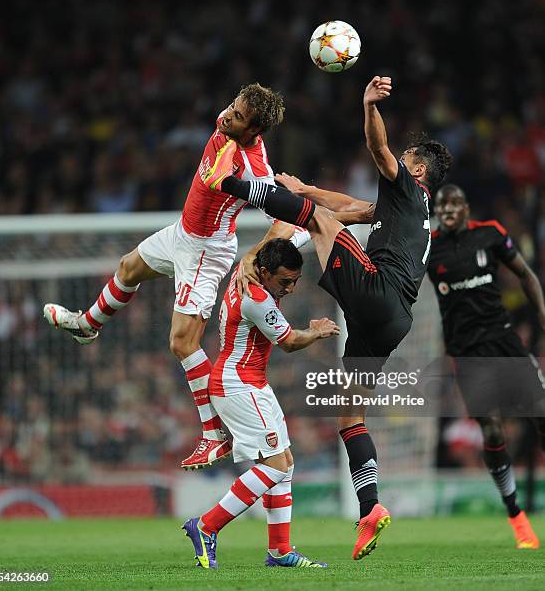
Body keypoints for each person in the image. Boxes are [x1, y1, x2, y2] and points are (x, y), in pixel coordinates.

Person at [202, 75, 452, 560]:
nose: (400, 160)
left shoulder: (406, 183)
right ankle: (370, 510)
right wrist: (303, 187)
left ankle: (228, 183)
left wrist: (369, 105)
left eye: (408, 157)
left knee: (314, 221)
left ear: (417, 168)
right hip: (393, 319)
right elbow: (349, 206)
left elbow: (377, 149)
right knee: (350, 414)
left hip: (379, 292)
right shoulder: (409, 211)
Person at [43, 83, 287, 469]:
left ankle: (214, 435)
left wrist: (254, 257)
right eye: (232, 106)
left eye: (238, 116)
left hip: (206, 251)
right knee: (128, 267)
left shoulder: (255, 170)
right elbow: (226, 129)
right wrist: (231, 119)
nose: (226, 115)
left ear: (254, 131)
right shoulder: (228, 122)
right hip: (183, 232)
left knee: (182, 343)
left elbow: (282, 221)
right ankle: (88, 324)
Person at [183, 237, 339, 569]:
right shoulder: (255, 298)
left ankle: (280, 551)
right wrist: (317, 331)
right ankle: (206, 526)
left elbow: (266, 242)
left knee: (285, 462)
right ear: (265, 273)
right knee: (274, 466)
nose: (291, 289)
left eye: (296, 281)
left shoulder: (245, 270)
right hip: (238, 385)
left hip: (250, 383)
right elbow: (290, 343)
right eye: (284, 282)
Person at [428, 184, 545, 549]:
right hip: (466, 352)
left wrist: (542, 316)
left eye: (455, 203)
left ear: (465, 208)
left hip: (504, 341)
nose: (448, 208)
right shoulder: (429, 247)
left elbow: (525, 274)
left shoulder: (490, 234)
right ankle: (516, 515)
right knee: (492, 432)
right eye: (442, 203)